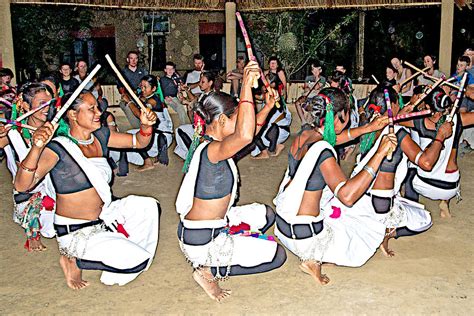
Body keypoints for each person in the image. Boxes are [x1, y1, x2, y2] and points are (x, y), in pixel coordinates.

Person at [14, 91, 160, 289]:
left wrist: (145, 125)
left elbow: (140, 142)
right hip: (76, 232)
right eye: (91, 109)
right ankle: (72, 259)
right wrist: (37, 148)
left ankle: (114, 243)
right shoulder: (58, 148)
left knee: (148, 206)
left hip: (103, 218)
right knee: (139, 261)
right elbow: (22, 185)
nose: (99, 112)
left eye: (97, 107)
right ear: (73, 115)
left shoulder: (100, 136)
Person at [176, 61, 286, 302]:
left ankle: (228, 246)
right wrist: (246, 85)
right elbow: (245, 135)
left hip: (206, 227)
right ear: (223, 121)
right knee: (277, 256)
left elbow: (249, 130)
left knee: (267, 214)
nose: (240, 124)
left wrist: (267, 106)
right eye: (236, 118)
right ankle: (207, 270)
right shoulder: (213, 150)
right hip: (203, 240)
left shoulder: (212, 141)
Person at [274, 87, 394, 285]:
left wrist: (368, 128)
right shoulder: (324, 153)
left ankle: (313, 254)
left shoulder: (305, 134)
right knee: (362, 233)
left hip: (283, 229)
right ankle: (313, 260)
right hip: (305, 240)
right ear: (343, 115)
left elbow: (332, 138)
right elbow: (347, 197)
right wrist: (379, 154)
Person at [355, 83, 444, 256]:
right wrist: (440, 137)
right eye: (399, 102)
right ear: (393, 105)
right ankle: (387, 232)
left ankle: (373, 226)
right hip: (380, 204)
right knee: (425, 219)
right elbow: (426, 163)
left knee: (408, 203)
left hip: (360, 196)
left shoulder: (367, 124)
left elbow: (397, 116)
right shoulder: (397, 132)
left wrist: (411, 105)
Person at [0, 83, 56, 251]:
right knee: (50, 230)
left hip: (53, 189)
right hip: (27, 194)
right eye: (41, 104)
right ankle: (30, 223)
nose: (47, 108)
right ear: (25, 106)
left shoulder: (54, 128)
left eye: (50, 103)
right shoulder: (13, 132)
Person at [403, 88, 474, 217]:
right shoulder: (458, 119)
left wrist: (412, 104)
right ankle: (444, 202)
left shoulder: (418, 120)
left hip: (422, 183)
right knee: (451, 148)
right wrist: (471, 95)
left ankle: (411, 202)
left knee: (412, 156)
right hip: (449, 188)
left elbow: (393, 119)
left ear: (428, 106)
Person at [125, 75, 173, 171]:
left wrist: (129, 102)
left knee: (135, 137)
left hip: (162, 136)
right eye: (141, 87)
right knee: (130, 134)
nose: (142, 89)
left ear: (154, 88)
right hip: (157, 134)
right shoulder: (149, 98)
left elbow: (140, 114)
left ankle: (147, 162)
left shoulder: (153, 100)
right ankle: (152, 155)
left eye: (145, 87)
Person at [174, 71, 215, 160]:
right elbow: (195, 100)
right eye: (200, 81)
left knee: (181, 131)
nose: (199, 84)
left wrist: (188, 102)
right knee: (179, 130)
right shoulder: (204, 94)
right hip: (198, 125)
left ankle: (193, 155)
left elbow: (201, 108)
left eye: (202, 82)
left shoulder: (212, 97)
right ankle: (191, 154)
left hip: (205, 129)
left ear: (210, 83)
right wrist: (187, 91)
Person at [118, 51, 148, 129]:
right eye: (131, 58)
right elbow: (120, 88)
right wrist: (126, 96)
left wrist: (143, 95)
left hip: (141, 97)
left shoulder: (143, 71)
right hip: (128, 98)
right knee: (128, 107)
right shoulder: (122, 72)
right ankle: (138, 129)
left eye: (135, 58)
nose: (134, 61)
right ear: (128, 60)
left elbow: (147, 85)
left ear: (138, 60)